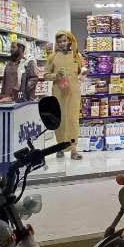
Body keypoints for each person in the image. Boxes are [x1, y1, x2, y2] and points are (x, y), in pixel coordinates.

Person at [45, 30, 83, 160]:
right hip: (58, 93)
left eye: (64, 41)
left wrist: (84, 74)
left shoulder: (76, 56)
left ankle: (73, 150)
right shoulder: (52, 57)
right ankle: (60, 148)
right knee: (59, 120)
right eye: (60, 41)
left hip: (74, 93)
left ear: (70, 41)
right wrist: (56, 75)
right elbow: (46, 75)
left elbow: (81, 72)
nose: (62, 43)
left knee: (73, 120)